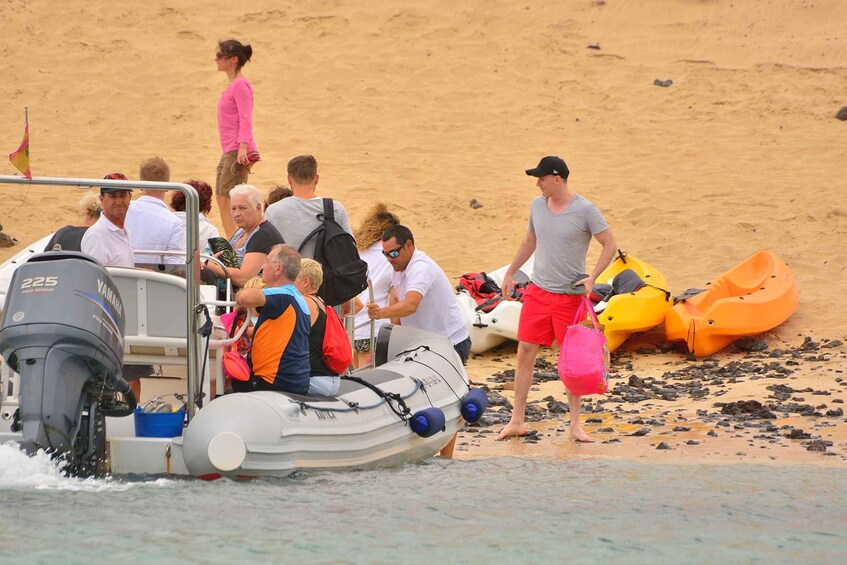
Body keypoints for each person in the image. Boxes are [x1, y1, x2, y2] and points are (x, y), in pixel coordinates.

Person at [496, 156, 617, 443]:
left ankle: (575, 425)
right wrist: (511, 272)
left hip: (568, 296)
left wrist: (593, 277)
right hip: (537, 292)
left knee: (571, 359)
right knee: (525, 352)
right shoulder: (537, 206)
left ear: (557, 178)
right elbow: (529, 242)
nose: (537, 183)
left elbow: (610, 244)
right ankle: (517, 421)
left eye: (541, 178)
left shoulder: (586, 210)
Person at [366, 225, 472, 364]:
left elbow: (411, 305)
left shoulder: (421, 268)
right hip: (424, 344)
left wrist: (380, 313)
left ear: (408, 245)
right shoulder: (398, 268)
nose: (389, 259)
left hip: (450, 342)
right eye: (385, 254)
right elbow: (396, 298)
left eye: (393, 253)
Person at [232, 244, 311, 395]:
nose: (262, 266)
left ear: (278, 269)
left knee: (217, 383)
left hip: (274, 384)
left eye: (267, 261)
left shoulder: (283, 295)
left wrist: (239, 299)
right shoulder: (296, 297)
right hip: (294, 381)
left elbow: (245, 297)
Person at [265, 155, 353, 259]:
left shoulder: (273, 210)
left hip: (286, 272)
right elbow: (350, 247)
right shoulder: (336, 209)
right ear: (316, 179)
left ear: (289, 179)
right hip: (324, 273)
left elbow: (263, 247)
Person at [204, 183, 284, 289]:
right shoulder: (242, 231)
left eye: (242, 208)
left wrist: (212, 266)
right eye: (233, 209)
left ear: (258, 208)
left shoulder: (264, 235)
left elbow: (244, 279)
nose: (236, 214)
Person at [215, 38, 257, 239]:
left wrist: (243, 148)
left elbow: (246, 117)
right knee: (222, 197)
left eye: (220, 55)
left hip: (236, 149)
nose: (216, 59)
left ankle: (237, 242)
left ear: (232, 59)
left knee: (231, 198)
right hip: (229, 149)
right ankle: (234, 239)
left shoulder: (241, 84)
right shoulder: (233, 85)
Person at [351, 203, 400, 367]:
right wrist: (397, 330)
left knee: (355, 379)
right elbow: (394, 297)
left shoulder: (357, 250)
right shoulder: (390, 256)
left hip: (351, 327)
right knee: (370, 380)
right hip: (374, 327)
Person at [125, 156, 186, 271]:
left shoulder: (125, 209)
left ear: (141, 184)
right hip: (154, 281)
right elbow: (173, 264)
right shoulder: (174, 222)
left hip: (120, 277)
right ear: (167, 187)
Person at [294, 259, 344, 396]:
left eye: (292, 279)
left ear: (305, 282)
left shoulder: (304, 303)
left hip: (314, 380)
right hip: (330, 378)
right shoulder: (322, 303)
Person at [80, 178, 134, 268]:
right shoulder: (96, 236)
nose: (119, 201)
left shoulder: (123, 230)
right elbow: (94, 277)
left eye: (123, 195)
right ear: (102, 199)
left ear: (130, 198)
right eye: (112, 196)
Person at [170, 179, 220, 254]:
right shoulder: (210, 230)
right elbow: (211, 261)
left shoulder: (165, 221)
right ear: (206, 205)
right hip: (196, 265)